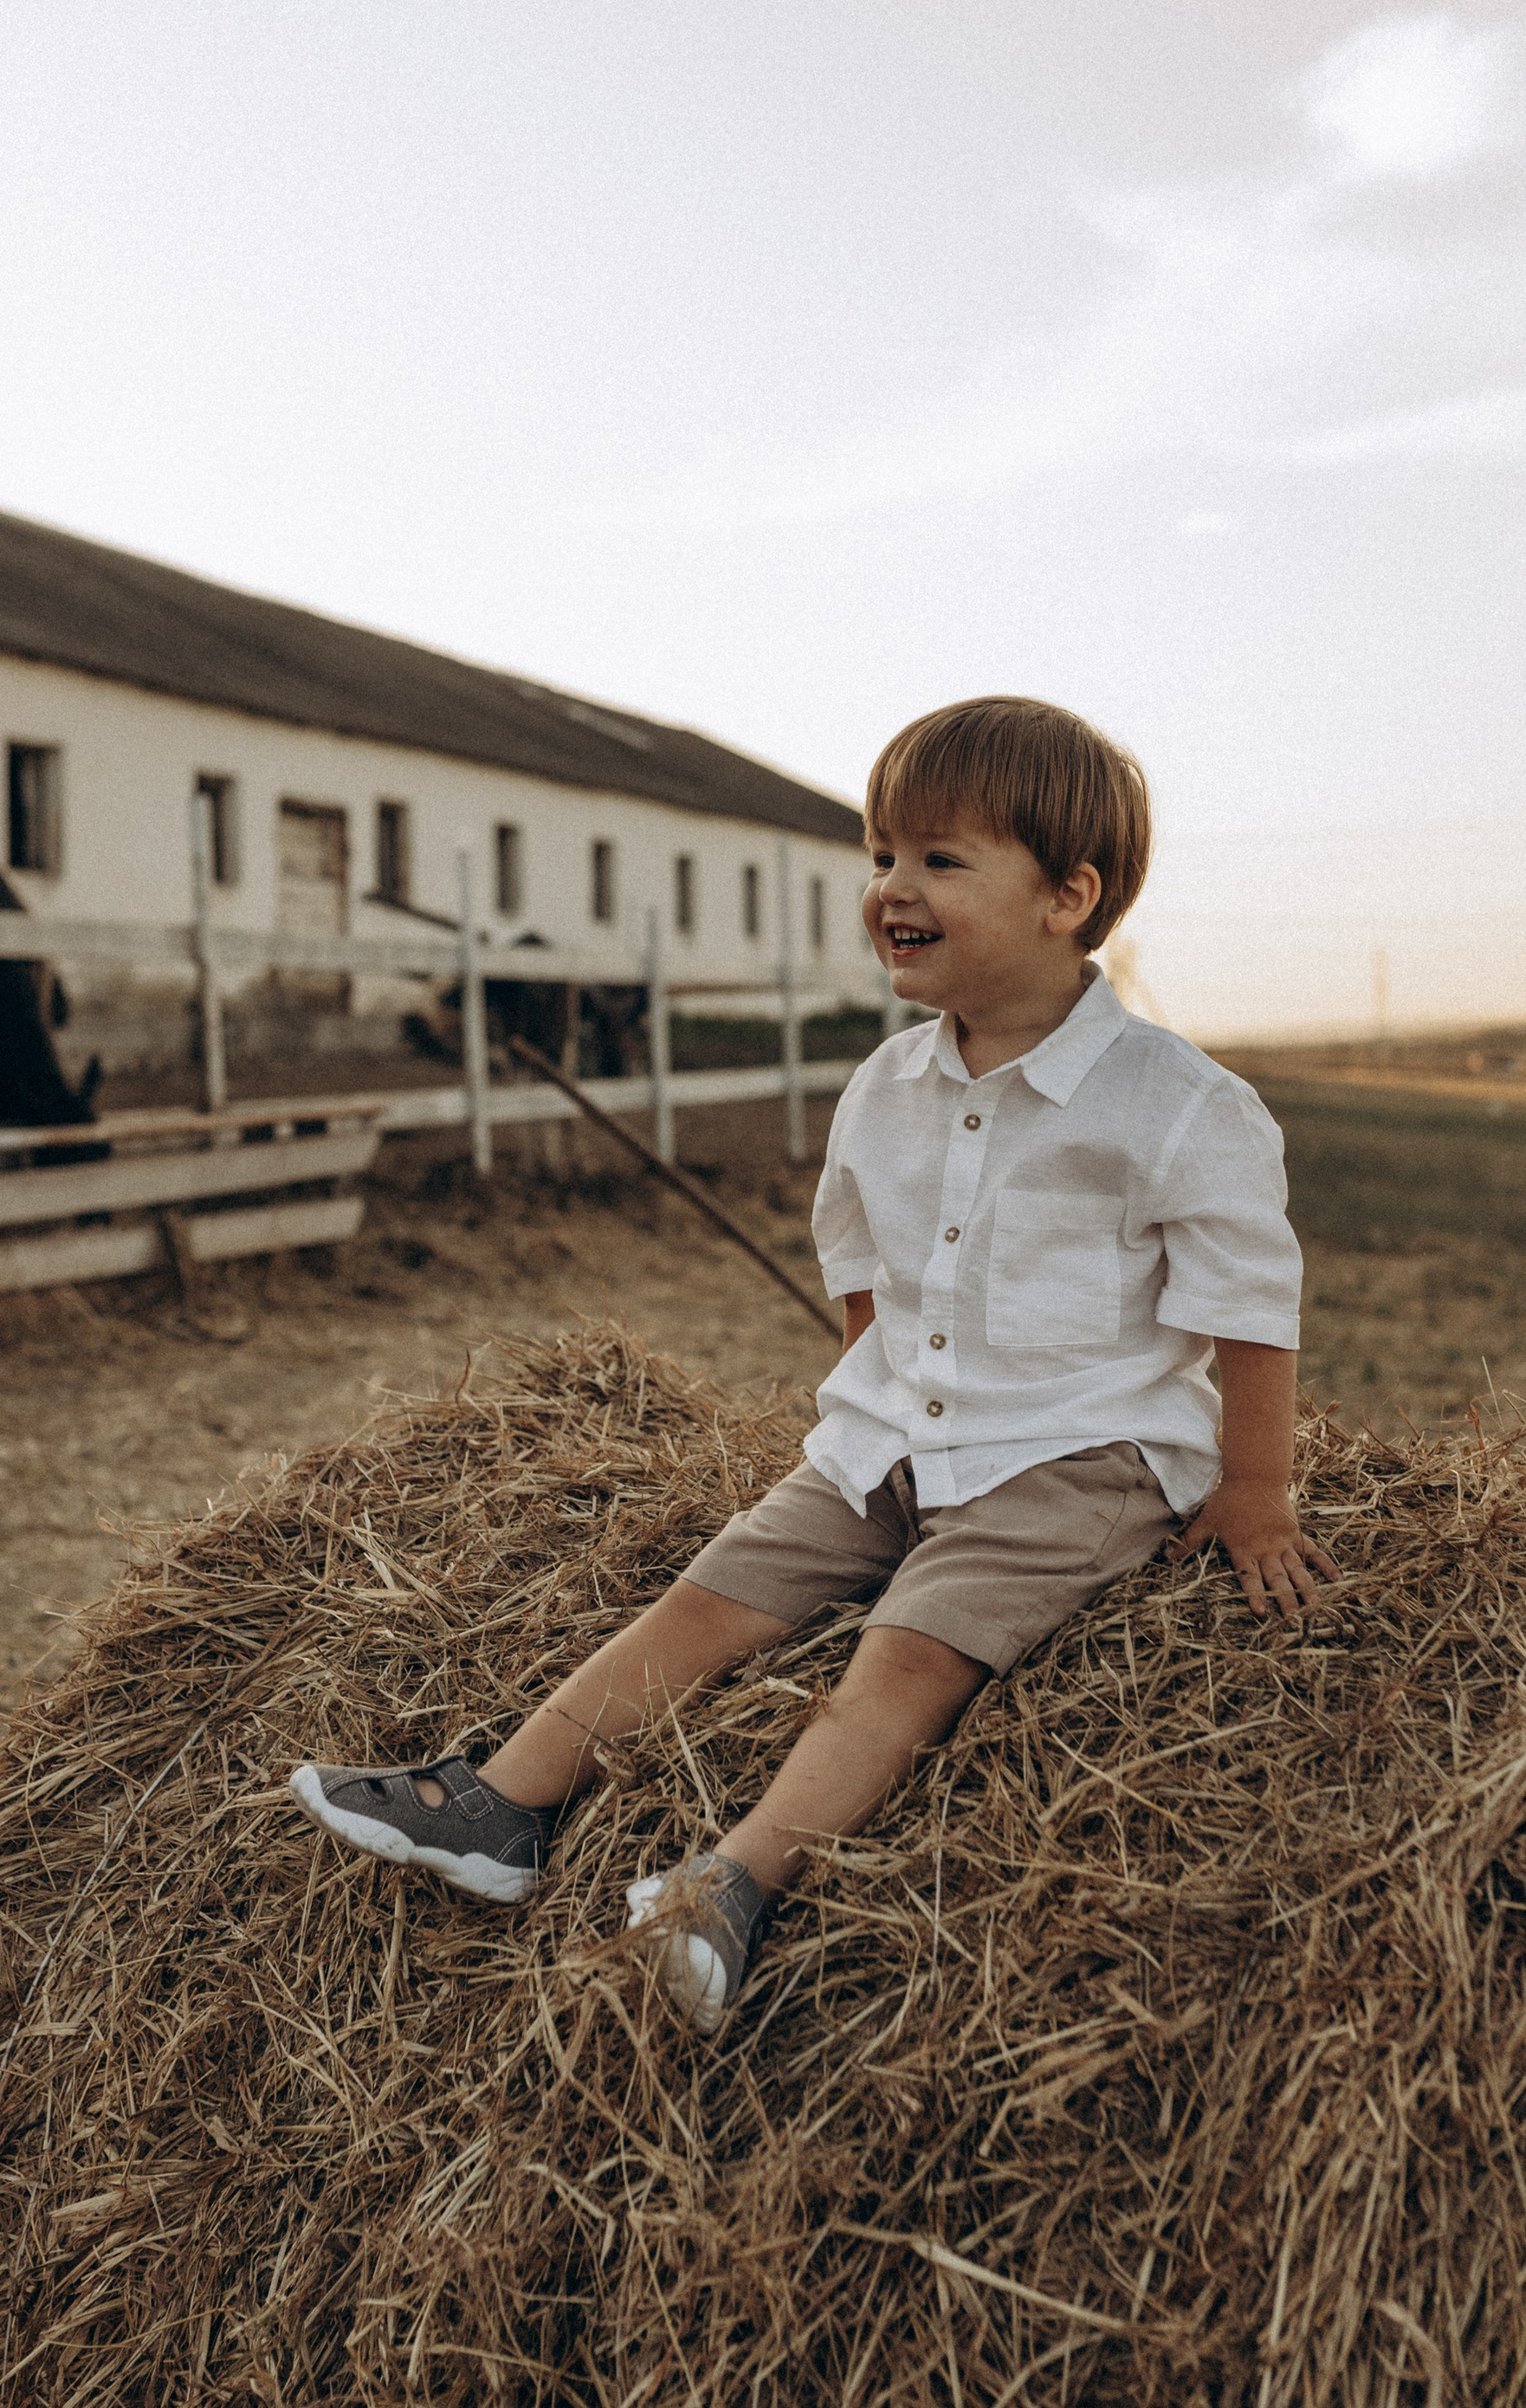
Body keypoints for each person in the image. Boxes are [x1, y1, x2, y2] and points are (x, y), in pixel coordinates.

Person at [290, 695, 1333, 2032]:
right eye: (883, 857)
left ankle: (733, 1885)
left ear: (1070, 897)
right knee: (713, 1594)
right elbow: (861, 1255)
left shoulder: (1179, 1104)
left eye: (940, 862)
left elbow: (1252, 1298)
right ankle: (504, 1803)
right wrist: (868, 1414)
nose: (892, 889)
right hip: (897, 1436)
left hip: (1079, 1455)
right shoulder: (884, 1086)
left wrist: (1253, 1492)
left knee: (904, 1658)